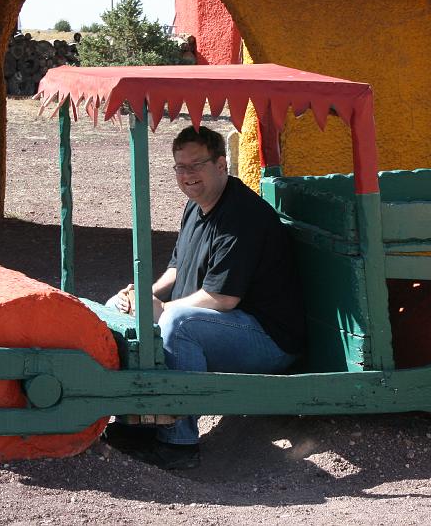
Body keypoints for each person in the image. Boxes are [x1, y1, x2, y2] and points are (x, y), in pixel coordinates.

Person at [104, 125, 304, 469]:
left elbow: (222, 299)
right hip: (226, 326)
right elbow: (177, 270)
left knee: (178, 324)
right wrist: (138, 294)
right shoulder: (196, 206)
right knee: (117, 309)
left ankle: (178, 444)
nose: (187, 175)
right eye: (180, 167)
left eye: (196, 165)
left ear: (222, 165)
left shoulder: (243, 216)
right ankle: (134, 423)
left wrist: (162, 308)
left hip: (268, 340)